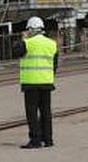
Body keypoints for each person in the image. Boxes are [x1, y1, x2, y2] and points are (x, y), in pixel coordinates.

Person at [13, 16, 58, 148]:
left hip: (31, 83)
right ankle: (48, 140)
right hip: (46, 82)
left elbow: (16, 52)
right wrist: (48, 76)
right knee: (46, 112)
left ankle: (35, 140)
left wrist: (23, 38)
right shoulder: (52, 44)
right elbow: (54, 65)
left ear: (31, 29)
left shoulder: (27, 43)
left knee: (32, 113)